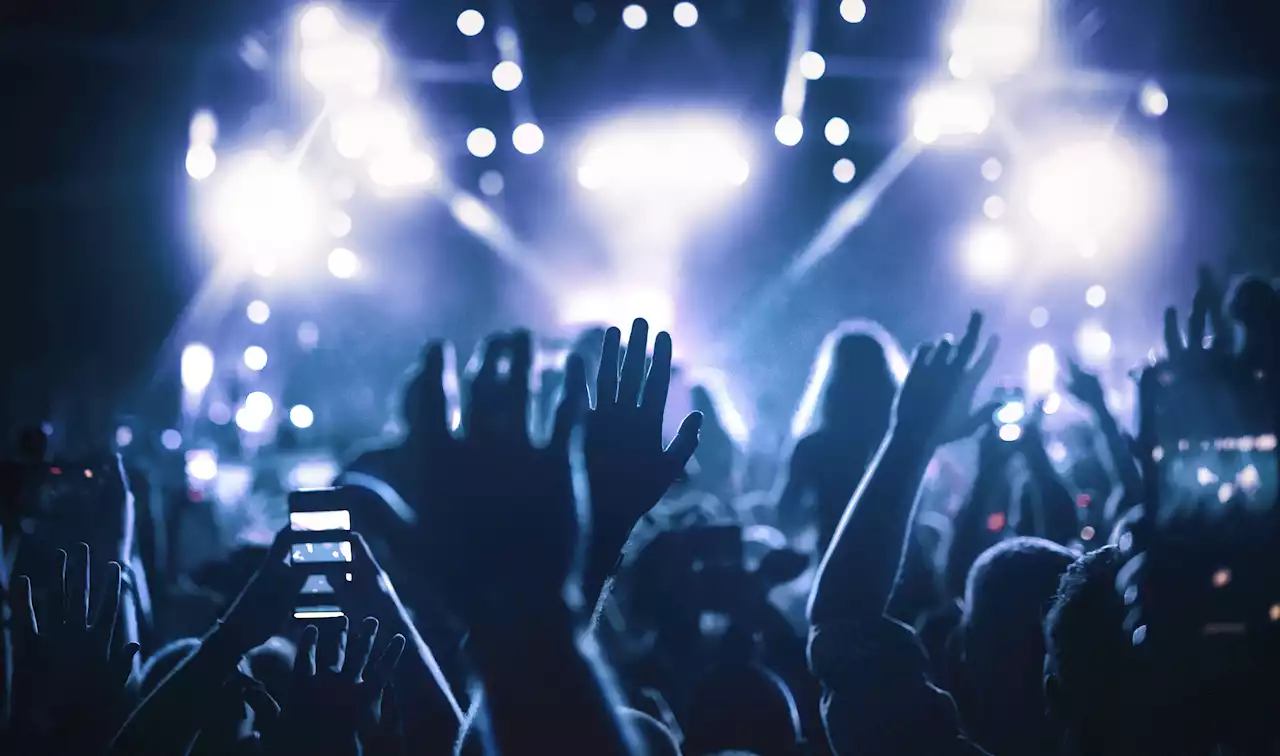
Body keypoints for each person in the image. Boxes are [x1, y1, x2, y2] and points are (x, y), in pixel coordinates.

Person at [776, 321, 907, 552]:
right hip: (900, 561)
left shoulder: (812, 448)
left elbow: (787, 516)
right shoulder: (900, 442)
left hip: (836, 563)